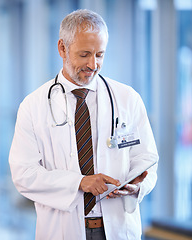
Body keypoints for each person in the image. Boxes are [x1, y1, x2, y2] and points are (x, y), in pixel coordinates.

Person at [9, 9, 158, 240]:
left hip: (118, 227)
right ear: (62, 48)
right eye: (84, 54)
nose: (93, 64)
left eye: (100, 54)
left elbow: (147, 159)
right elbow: (24, 174)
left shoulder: (128, 99)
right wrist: (80, 183)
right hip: (62, 229)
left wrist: (138, 185)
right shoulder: (33, 105)